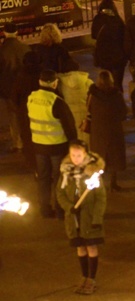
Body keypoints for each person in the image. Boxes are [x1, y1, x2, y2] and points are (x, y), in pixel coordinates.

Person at [56, 140, 107, 295]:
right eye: (73, 155)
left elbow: (100, 198)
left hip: (89, 218)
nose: (76, 158)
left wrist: (97, 218)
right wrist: (68, 207)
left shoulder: (93, 174)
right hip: (74, 218)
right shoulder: (66, 173)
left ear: (85, 155)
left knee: (91, 246)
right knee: (80, 247)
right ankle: (84, 276)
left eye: (79, 155)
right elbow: (60, 193)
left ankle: (92, 278)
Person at [28, 69, 78, 218]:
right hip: (57, 147)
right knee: (59, 179)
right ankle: (60, 210)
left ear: (39, 82)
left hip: (38, 146)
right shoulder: (57, 102)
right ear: (55, 83)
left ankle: (44, 208)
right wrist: (73, 144)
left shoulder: (31, 98)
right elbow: (69, 126)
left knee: (43, 178)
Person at [88, 70, 127, 192]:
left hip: (98, 129)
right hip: (113, 129)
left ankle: (99, 183)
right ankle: (113, 182)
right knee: (114, 156)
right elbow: (123, 112)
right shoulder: (116, 94)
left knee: (99, 156)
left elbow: (89, 109)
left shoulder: (93, 94)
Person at [0, 22, 31, 153]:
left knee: (13, 115)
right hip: (24, 86)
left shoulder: (2, 50)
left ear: (4, 33)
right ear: (17, 32)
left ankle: (18, 142)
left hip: (8, 88)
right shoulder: (25, 48)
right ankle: (28, 138)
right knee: (26, 112)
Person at [91, 0, 127, 92]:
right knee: (118, 82)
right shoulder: (117, 20)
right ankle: (119, 100)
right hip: (118, 56)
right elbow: (124, 36)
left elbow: (94, 35)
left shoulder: (98, 19)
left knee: (106, 81)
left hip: (103, 56)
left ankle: (108, 100)